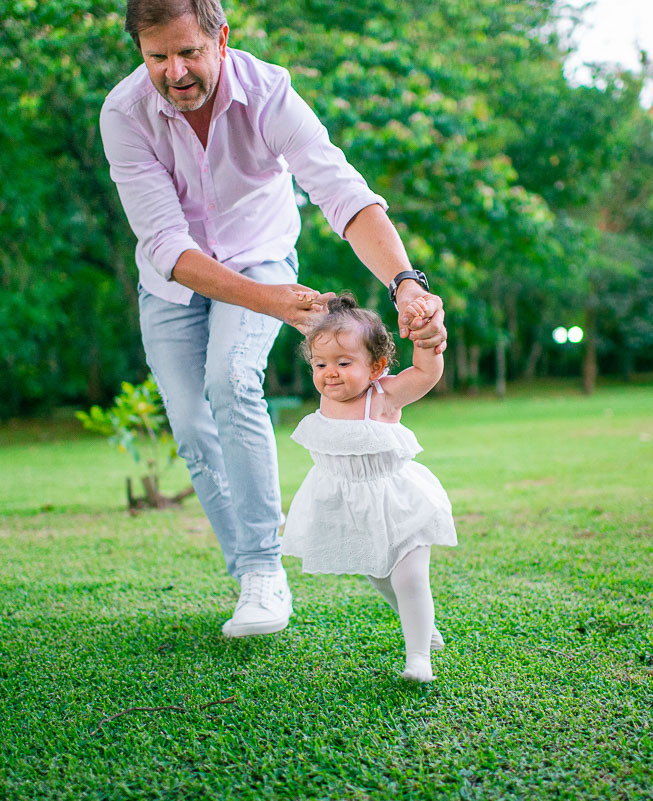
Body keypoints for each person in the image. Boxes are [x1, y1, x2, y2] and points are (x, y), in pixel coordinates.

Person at [99, 0, 448, 639]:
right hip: (174, 280)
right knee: (194, 428)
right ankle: (249, 571)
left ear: (221, 37)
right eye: (157, 57)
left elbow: (342, 192)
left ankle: (264, 571)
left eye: (189, 52)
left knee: (230, 379)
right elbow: (166, 246)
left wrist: (404, 281)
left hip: (261, 259)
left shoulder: (269, 93)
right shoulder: (124, 114)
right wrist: (273, 305)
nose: (175, 71)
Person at [281, 295, 457, 682]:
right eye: (321, 364)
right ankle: (423, 626)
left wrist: (427, 342)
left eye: (344, 364)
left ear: (376, 367)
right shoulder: (328, 397)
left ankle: (419, 658)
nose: (331, 373)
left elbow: (425, 375)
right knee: (379, 573)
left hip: (397, 502)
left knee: (409, 577)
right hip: (351, 509)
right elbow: (317, 334)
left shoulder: (383, 395)